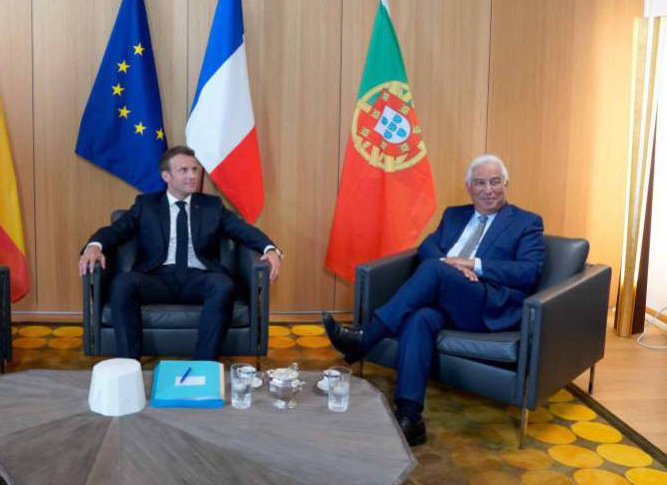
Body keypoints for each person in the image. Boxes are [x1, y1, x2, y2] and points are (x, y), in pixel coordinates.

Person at [321, 154, 544, 446]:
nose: (488, 189)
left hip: (488, 305)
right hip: (446, 298)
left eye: (495, 182)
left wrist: (472, 264)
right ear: (469, 187)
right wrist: (449, 266)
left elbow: (529, 271)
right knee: (419, 319)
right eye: (480, 183)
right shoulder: (454, 214)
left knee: (435, 271)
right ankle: (410, 417)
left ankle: (365, 338)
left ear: (506, 184)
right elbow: (428, 246)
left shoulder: (527, 222)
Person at [79, 145, 283, 360]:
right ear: (166, 176)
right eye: (183, 170)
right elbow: (116, 231)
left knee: (222, 285)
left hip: (199, 279)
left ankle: (204, 365)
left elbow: (243, 230)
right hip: (156, 278)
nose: (192, 175)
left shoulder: (211, 206)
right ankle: (129, 365)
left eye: (195, 170)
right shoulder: (146, 205)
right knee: (122, 283)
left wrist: (270, 249)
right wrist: (94, 245)